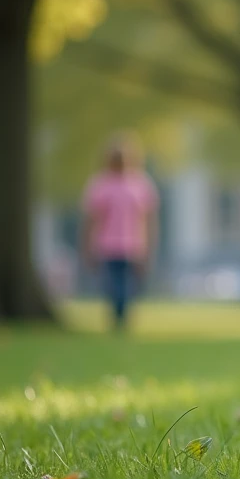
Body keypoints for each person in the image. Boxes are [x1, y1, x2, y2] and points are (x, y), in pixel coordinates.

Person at [81, 133, 159, 332]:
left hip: (133, 245)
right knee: (113, 286)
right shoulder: (101, 185)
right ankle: (117, 318)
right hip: (108, 245)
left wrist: (150, 245)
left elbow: (149, 218)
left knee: (127, 286)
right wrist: (88, 245)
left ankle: (122, 319)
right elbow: (92, 218)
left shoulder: (140, 184)